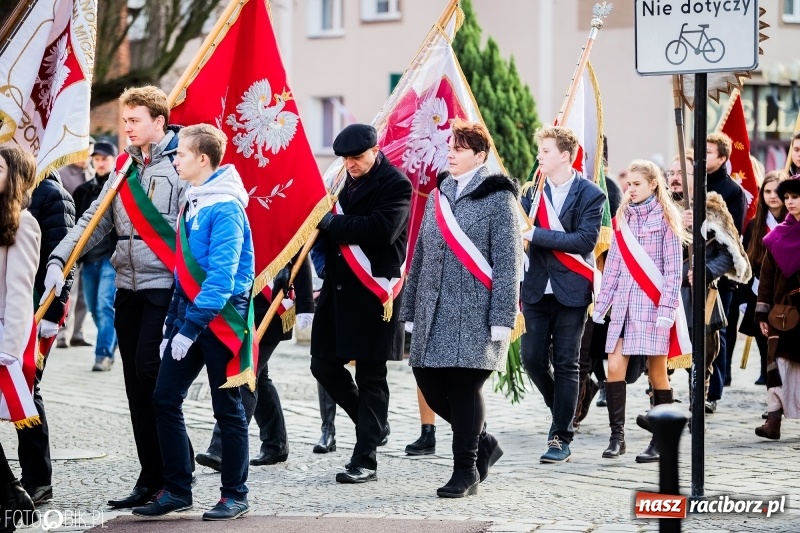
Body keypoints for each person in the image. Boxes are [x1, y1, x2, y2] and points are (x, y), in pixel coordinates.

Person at [45, 86, 189, 509]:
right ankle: (150, 477)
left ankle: (176, 480)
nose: (126, 128)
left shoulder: (182, 165)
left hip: (164, 285)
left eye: (134, 121)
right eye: (124, 121)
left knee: (152, 378)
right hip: (126, 285)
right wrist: (60, 258)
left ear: (159, 122)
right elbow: (94, 220)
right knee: (133, 385)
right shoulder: (124, 167)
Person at [132, 124, 253, 520]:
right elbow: (184, 274)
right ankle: (178, 489)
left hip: (220, 321)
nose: (175, 159)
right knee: (164, 398)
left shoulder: (226, 206)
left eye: (181, 154)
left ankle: (234, 494)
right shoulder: (194, 199)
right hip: (188, 318)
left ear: (203, 159)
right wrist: (173, 325)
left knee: (228, 410)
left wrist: (189, 328)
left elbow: (220, 279)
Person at [400, 119, 521, 497]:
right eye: (449, 146)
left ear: (480, 156)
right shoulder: (440, 193)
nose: (450, 152)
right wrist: (410, 309)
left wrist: (502, 316)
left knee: (465, 389)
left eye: (459, 147)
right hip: (433, 311)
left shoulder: (499, 197)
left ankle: (465, 470)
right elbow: (419, 254)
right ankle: (483, 442)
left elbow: (508, 260)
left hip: (476, 313)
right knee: (430, 384)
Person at [310, 123, 412, 484]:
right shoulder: (340, 181)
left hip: (374, 294)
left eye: (357, 157)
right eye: (345, 159)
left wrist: (332, 224)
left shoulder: (396, 183)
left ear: (375, 150)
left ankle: (364, 459)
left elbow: (381, 229)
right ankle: (374, 424)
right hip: (337, 291)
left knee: (371, 375)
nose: (350, 164)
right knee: (322, 365)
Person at [592, 160, 689, 460]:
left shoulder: (665, 219)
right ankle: (617, 437)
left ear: (653, 184)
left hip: (653, 306)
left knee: (658, 373)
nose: (629, 189)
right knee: (614, 369)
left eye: (636, 184)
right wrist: (601, 305)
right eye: (628, 184)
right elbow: (614, 268)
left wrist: (667, 308)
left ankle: (661, 440)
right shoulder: (623, 217)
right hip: (623, 307)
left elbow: (673, 270)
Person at [519, 125, 605, 464]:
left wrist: (536, 233)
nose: (539, 157)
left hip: (572, 290)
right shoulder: (531, 192)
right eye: (540, 151)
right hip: (537, 288)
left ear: (565, 156)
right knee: (533, 360)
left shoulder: (590, 194)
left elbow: (584, 241)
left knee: (567, 363)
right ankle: (565, 408)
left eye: (546, 152)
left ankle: (561, 436)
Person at [194, 255, 315, 471]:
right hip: (241, 305)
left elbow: (300, 246)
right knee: (260, 378)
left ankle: (222, 449)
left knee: (245, 374)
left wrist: (305, 303)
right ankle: (275, 444)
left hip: (271, 305)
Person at [0, 146, 40, 532]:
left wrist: (8, 352)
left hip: (2, 337)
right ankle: (13, 495)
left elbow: (19, 294)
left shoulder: (24, 223)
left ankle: (12, 499)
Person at [754, 174, 800, 440]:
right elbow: (767, 277)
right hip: (783, 313)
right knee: (778, 364)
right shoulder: (777, 236)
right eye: (787, 198)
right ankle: (773, 421)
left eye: (795, 197)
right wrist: (762, 311)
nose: (789, 202)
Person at [705, 132, 746, 408]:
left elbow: (731, 237)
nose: (702, 156)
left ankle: (713, 393)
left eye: (708, 152)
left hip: (719, 278)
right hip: (692, 274)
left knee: (715, 332)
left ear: (722, 158)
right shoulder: (693, 184)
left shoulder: (732, 192)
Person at [73, 141, 119, 372]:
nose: (100, 163)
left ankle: (103, 354)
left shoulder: (120, 188)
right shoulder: (83, 191)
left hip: (111, 259)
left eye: (105, 159)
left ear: (114, 160)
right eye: (97, 159)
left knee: (104, 307)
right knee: (93, 308)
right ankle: (113, 338)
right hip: (88, 260)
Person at [741, 172, 787, 386]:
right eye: (767, 191)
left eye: (777, 191)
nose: (773, 196)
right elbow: (748, 258)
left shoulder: (791, 222)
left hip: (786, 287)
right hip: (760, 285)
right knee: (761, 331)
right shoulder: (754, 224)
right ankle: (764, 369)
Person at [55, 153, 92, 349]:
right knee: (69, 289)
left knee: (84, 292)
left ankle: (78, 332)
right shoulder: (63, 174)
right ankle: (63, 334)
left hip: (89, 242)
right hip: (69, 238)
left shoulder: (92, 173)